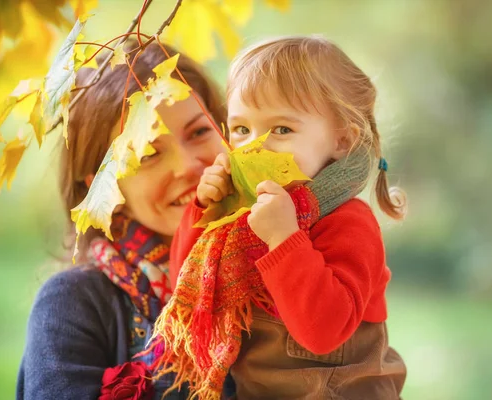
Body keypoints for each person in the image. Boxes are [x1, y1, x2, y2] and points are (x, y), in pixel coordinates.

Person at [155, 35, 407, 399]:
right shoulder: (241, 217)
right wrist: (204, 208)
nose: (254, 146)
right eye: (241, 129)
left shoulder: (350, 222)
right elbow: (189, 287)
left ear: (342, 141)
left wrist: (286, 240)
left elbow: (323, 333)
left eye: (282, 130)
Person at [16, 42, 228, 399]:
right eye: (148, 153)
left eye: (198, 132)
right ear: (104, 188)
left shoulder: (282, 263)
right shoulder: (73, 305)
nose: (188, 166)